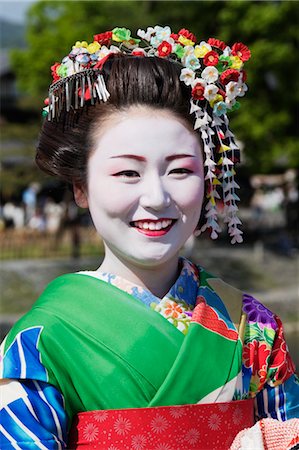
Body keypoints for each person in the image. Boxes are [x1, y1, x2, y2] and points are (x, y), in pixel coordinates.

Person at [0, 26, 298, 450]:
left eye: (180, 170)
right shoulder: (40, 343)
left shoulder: (254, 327)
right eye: (127, 173)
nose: (157, 197)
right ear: (80, 187)